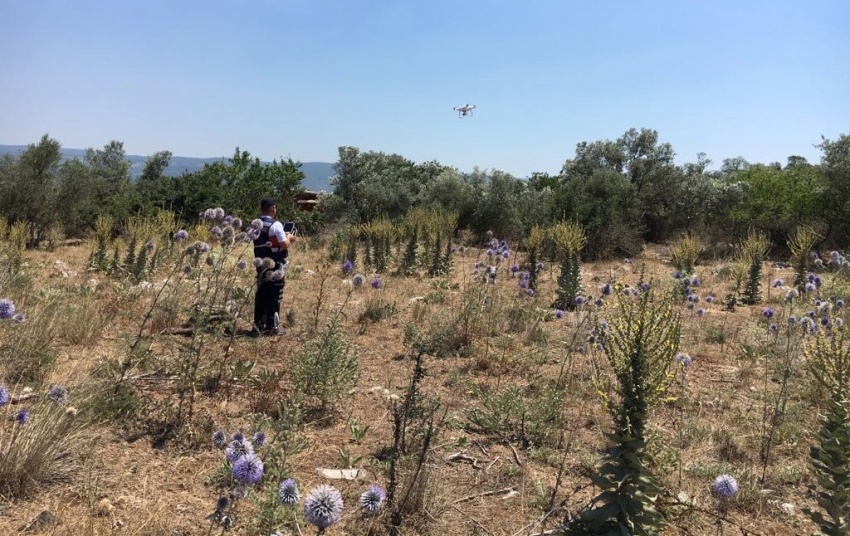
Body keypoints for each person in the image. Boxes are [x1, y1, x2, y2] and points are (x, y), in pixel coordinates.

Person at [252, 197, 297, 336]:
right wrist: (289, 237)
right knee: (275, 295)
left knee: (261, 294)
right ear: (272, 208)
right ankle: (272, 327)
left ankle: (258, 326)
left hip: (260, 264)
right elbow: (284, 244)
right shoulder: (276, 225)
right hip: (275, 263)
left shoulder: (255, 224)